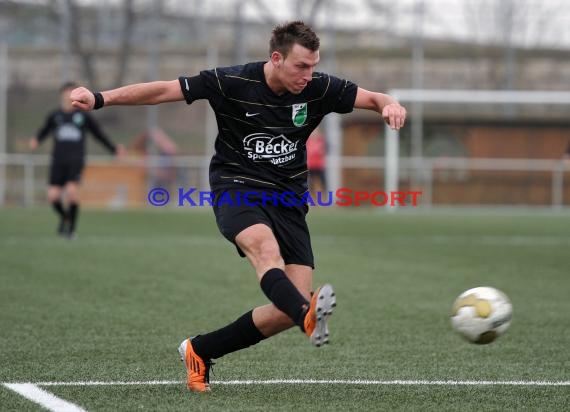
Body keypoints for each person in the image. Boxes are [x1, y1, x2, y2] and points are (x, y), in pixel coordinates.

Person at [70, 21, 406, 392]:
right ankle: (305, 315)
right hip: (237, 186)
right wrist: (100, 98)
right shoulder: (231, 81)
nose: (308, 75)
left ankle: (201, 349)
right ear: (276, 58)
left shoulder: (320, 87)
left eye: (313, 66)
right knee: (265, 251)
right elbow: (164, 89)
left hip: (289, 198)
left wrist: (390, 105)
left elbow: (375, 98)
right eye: (300, 67)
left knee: (283, 310)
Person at [29, 82, 125, 238]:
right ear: (61, 95)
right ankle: (65, 217)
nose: (68, 97)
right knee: (53, 197)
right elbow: (44, 130)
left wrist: (114, 149)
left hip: (75, 160)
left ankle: (71, 230)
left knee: (72, 193)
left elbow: (98, 134)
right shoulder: (55, 116)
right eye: (66, 94)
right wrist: (36, 140)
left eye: (71, 93)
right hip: (58, 160)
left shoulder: (83, 116)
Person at [306, 127, 327, 199]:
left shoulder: (321, 141)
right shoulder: (308, 141)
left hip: (319, 166)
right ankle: (313, 199)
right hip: (310, 166)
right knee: (310, 184)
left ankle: (323, 199)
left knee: (322, 183)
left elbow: (322, 151)